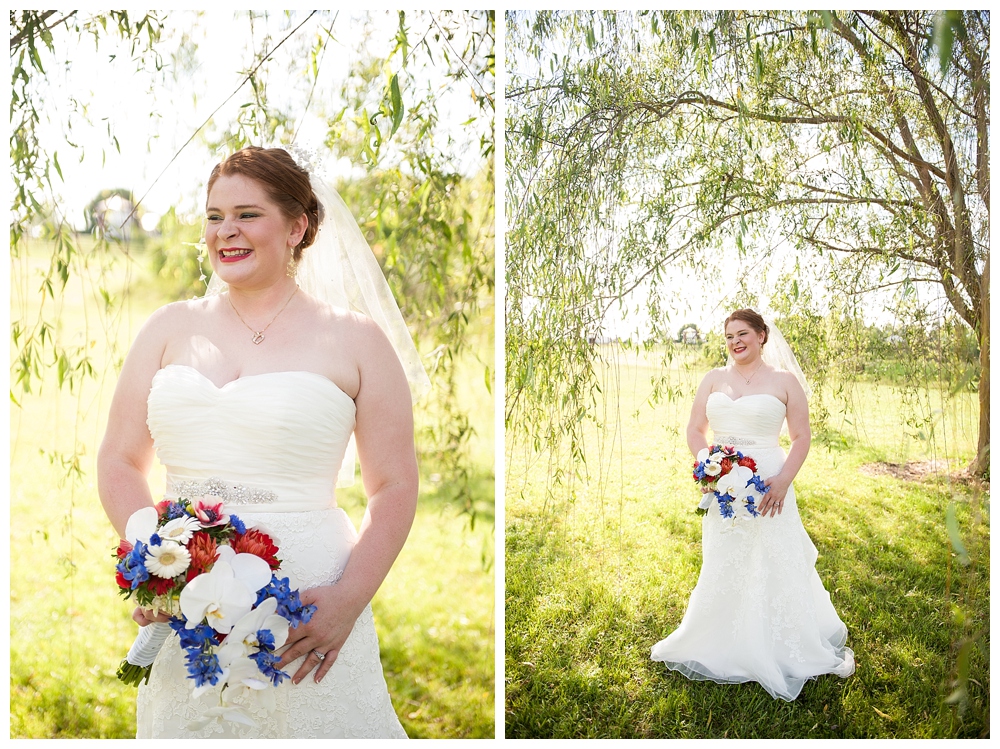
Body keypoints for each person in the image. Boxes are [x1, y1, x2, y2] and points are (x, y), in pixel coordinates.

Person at [98, 146, 428, 737]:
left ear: (297, 226)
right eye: (214, 215)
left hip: (309, 605)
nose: (226, 231)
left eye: (247, 214)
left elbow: (395, 485)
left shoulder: (355, 340)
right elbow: (120, 458)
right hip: (187, 605)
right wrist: (150, 560)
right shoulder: (168, 328)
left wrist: (348, 600)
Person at [650, 308, 854, 701]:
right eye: (728, 336)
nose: (735, 342)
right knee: (725, 557)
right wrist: (706, 464)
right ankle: (721, 637)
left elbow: (801, 436)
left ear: (762, 336)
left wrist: (783, 481)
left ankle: (780, 641)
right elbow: (695, 429)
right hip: (724, 486)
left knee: (774, 557)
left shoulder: (784, 381)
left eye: (742, 334)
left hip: (770, 483)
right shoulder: (713, 379)